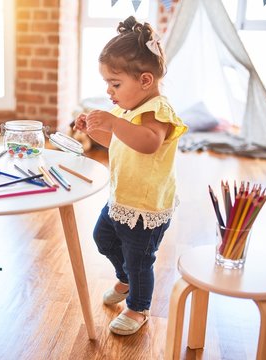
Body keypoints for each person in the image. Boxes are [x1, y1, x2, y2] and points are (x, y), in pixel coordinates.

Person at [73, 16, 187, 336]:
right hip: (124, 198)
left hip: (146, 206)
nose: (109, 91)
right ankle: (125, 280)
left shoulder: (157, 110)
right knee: (103, 237)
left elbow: (149, 144)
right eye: (108, 84)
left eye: (115, 83)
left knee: (140, 259)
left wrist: (112, 121)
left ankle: (138, 307)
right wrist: (97, 129)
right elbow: (118, 145)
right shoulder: (128, 111)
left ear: (146, 80)